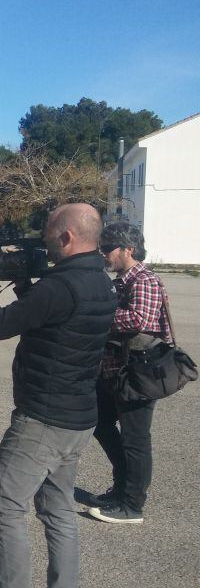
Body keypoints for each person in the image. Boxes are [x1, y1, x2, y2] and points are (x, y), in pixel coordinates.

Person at [0, 204, 116, 588]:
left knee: (6, 506)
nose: (44, 241)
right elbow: (52, 318)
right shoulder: (101, 281)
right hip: (78, 416)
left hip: (43, 419)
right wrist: (23, 285)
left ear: (66, 237)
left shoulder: (59, 286)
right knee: (58, 508)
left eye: (48, 234)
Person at [89, 222, 171, 524]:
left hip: (138, 372)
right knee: (99, 422)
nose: (104, 253)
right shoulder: (122, 280)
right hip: (115, 369)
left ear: (128, 249)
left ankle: (132, 505)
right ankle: (122, 487)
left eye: (108, 248)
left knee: (135, 438)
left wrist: (99, 313)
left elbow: (140, 320)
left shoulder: (144, 279)